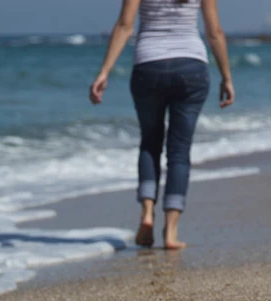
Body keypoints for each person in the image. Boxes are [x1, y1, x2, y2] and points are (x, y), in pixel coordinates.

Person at [90, 0, 235, 249]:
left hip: (149, 65)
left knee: (150, 142)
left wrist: (105, 71)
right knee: (179, 152)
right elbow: (215, 32)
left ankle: (147, 213)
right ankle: (171, 231)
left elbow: (125, 25)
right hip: (191, 67)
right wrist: (226, 77)